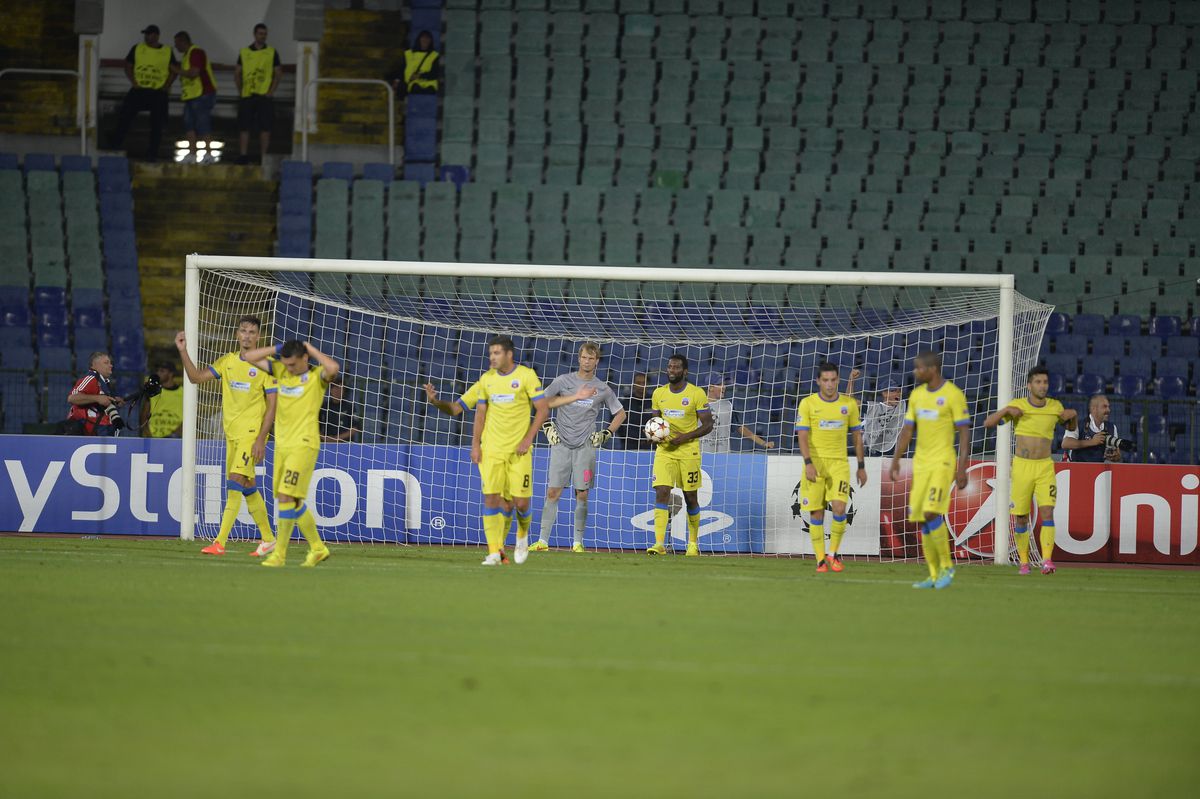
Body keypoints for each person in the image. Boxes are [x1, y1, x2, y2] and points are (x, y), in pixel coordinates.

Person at [424, 335, 549, 566]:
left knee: (520, 504)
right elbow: (459, 410)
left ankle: (522, 535)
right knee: (493, 499)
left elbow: (543, 409)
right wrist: (435, 402)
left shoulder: (526, 376)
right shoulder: (486, 380)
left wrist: (528, 439)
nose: (492, 357)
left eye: (496, 353)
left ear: (509, 354)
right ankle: (495, 552)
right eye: (490, 353)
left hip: (519, 451)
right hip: (491, 450)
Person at [176, 318, 278, 558]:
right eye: (243, 331)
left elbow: (273, 406)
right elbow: (195, 378)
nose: (247, 335)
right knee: (248, 487)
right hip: (231, 435)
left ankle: (219, 542)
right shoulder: (227, 362)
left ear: (258, 337)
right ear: (236, 334)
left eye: (252, 332)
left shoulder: (267, 366)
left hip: (250, 435)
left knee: (234, 484)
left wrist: (261, 439)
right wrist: (183, 351)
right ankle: (269, 539)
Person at [239, 340, 339, 568]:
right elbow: (248, 357)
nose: (289, 368)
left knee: (285, 495)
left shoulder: (317, 377)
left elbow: (333, 368)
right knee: (290, 500)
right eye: (286, 364)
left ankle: (279, 555)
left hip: (303, 444)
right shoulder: (281, 369)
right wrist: (276, 349)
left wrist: (309, 348)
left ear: (305, 358)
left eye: (293, 364)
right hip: (282, 445)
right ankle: (317, 548)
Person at [530, 343, 627, 553]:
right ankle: (542, 541)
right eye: (584, 357)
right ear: (578, 358)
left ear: (597, 361)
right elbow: (540, 403)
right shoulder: (563, 381)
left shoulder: (602, 388)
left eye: (591, 359)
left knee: (581, 493)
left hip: (586, 447)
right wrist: (547, 427)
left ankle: (577, 543)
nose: (587, 361)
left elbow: (620, 414)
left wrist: (606, 433)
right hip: (561, 443)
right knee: (553, 492)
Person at [983, 366, 1078, 576]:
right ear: (1029, 385)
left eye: (1045, 382)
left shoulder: (1055, 406)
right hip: (1022, 467)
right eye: (1038, 382)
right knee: (1022, 517)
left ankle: (1047, 560)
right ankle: (1024, 563)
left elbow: (1070, 425)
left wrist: (1072, 417)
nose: (1042, 386)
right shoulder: (1018, 406)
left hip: (1045, 466)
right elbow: (988, 423)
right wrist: (1006, 411)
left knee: (1047, 512)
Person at [889, 351, 971, 590]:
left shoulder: (953, 395)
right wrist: (896, 459)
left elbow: (964, 432)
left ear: (932, 369)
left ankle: (947, 566)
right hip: (921, 464)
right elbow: (907, 431)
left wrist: (962, 467)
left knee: (931, 512)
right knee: (921, 517)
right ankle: (934, 575)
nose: (915, 372)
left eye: (919, 368)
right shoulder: (916, 395)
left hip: (942, 463)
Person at [795, 362, 868, 573]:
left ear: (838, 380)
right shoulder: (808, 403)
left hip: (839, 464)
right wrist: (808, 462)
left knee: (839, 507)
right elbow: (802, 435)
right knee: (816, 513)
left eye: (833, 380)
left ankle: (833, 554)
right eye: (825, 380)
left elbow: (856, 436)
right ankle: (820, 560)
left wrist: (861, 466)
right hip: (815, 463)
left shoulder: (849, 405)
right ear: (818, 381)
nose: (829, 384)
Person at [647, 354, 714, 557]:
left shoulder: (696, 394)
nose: (672, 370)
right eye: (669, 367)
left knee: (690, 497)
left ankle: (692, 544)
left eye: (676, 368)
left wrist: (685, 437)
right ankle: (659, 544)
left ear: (685, 371)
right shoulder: (658, 393)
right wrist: (654, 436)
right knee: (661, 493)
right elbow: (655, 423)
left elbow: (708, 425)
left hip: (688, 452)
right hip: (665, 452)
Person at [110, 25, 178, 161]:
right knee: (125, 115)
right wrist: (133, 81)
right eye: (146, 34)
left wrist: (167, 85)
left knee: (157, 124)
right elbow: (128, 66)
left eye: (149, 34)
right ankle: (115, 145)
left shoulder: (166, 51)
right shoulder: (138, 48)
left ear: (157, 36)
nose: (146, 37)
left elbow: (174, 70)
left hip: (157, 92)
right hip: (139, 90)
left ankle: (152, 153)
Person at [234, 23, 282, 164]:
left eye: (265, 34)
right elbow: (237, 73)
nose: (263, 36)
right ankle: (243, 155)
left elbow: (278, 73)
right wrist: (241, 91)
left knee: (265, 127)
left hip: (263, 95)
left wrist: (271, 91)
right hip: (248, 95)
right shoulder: (244, 52)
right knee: (244, 126)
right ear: (255, 34)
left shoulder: (272, 52)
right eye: (261, 33)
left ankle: (264, 157)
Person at [699, 376, 775, 454]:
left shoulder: (728, 406)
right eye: (720, 384)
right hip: (701, 453)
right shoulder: (697, 404)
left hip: (723, 454)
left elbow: (741, 428)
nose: (724, 387)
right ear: (711, 388)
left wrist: (763, 443)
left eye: (724, 384)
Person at [174, 31, 218, 164]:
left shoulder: (196, 52)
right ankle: (192, 155)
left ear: (183, 41)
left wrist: (177, 70)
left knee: (202, 123)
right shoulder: (187, 55)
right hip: (191, 95)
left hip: (202, 94)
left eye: (177, 44)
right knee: (189, 124)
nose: (176, 47)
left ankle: (209, 154)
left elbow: (194, 72)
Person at [847, 370, 907, 457]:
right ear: (884, 393)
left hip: (893, 455)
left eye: (899, 391)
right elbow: (849, 402)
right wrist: (851, 380)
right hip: (871, 453)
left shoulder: (902, 406)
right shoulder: (873, 407)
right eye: (894, 390)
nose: (898, 393)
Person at [64, 352, 123, 436]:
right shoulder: (91, 378)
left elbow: (101, 402)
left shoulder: (103, 382)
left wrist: (114, 400)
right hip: (89, 431)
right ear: (94, 365)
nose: (111, 365)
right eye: (106, 363)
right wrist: (98, 398)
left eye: (110, 363)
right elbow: (72, 398)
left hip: (99, 430)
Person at [1061, 394, 1125, 464]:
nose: (1108, 410)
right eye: (1104, 407)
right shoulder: (1077, 424)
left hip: (1098, 471)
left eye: (1108, 407)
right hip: (1076, 468)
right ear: (1094, 409)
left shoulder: (1112, 428)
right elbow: (1065, 444)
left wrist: (1116, 456)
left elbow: (1117, 454)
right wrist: (1092, 442)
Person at [139, 360, 183, 438]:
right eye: (157, 371)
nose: (158, 373)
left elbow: (188, 418)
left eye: (162, 371)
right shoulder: (152, 391)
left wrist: (175, 435)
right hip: (152, 437)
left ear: (171, 374)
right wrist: (148, 434)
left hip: (175, 439)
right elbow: (144, 415)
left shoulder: (183, 393)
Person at [388, 30, 440, 96]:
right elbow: (402, 69)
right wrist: (397, 80)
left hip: (429, 85)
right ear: (419, 39)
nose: (425, 40)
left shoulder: (434, 55)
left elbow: (435, 73)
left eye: (428, 38)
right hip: (412, 84)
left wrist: (419, 76)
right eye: (423, 38)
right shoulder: (408, 54)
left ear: (431, 41)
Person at [621, 372, 656, 450]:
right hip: (629, 444)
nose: (641, 385)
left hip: (650, 444)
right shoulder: (626, 402)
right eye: (638, 383)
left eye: (643, 383)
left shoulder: (653, 401)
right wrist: (624, 439)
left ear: (647, 384)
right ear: (633, 384)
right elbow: (619, 423)